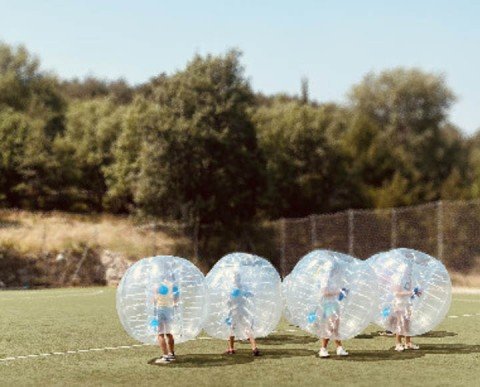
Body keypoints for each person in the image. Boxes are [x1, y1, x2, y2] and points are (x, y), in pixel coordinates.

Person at [316, 261, 349, 358]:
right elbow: (324, 292)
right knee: (330, 326)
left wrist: (342, 293)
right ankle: (323, 349)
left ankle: (339, 348)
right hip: (327, 304)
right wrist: (338, 292)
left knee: (335, 326)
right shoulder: (325, 278)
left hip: (334, 303)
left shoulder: (332, 279)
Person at [224, 271, 260, 356]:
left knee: (232, 330)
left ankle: (231, 348)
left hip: (234, 312)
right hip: (243, 311)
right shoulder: (243, 288)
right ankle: (254, 347)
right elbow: (250, 295)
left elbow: (229, 302)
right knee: (248, 329)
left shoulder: (232, 289)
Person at [391, 262, 422, 352]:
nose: (408, 271)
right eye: (407, 270)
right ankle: (398, 343)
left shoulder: (408, 279)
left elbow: (410, 290)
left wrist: (416, 292)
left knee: (407, 323)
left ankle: (408, 342)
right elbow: (396, 293)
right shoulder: (398, 279)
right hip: (399, 303)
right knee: (400, 323)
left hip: (407, 303)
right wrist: (411, 293)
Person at [151, 272, 180, 364]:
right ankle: (171, 354)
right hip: (170, 310)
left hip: (160, 310)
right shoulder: (172, 285)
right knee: (169, 333)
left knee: (160, 334)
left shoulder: (157, 286)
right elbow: (176, 298)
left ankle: (165, 356)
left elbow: (154, 300)